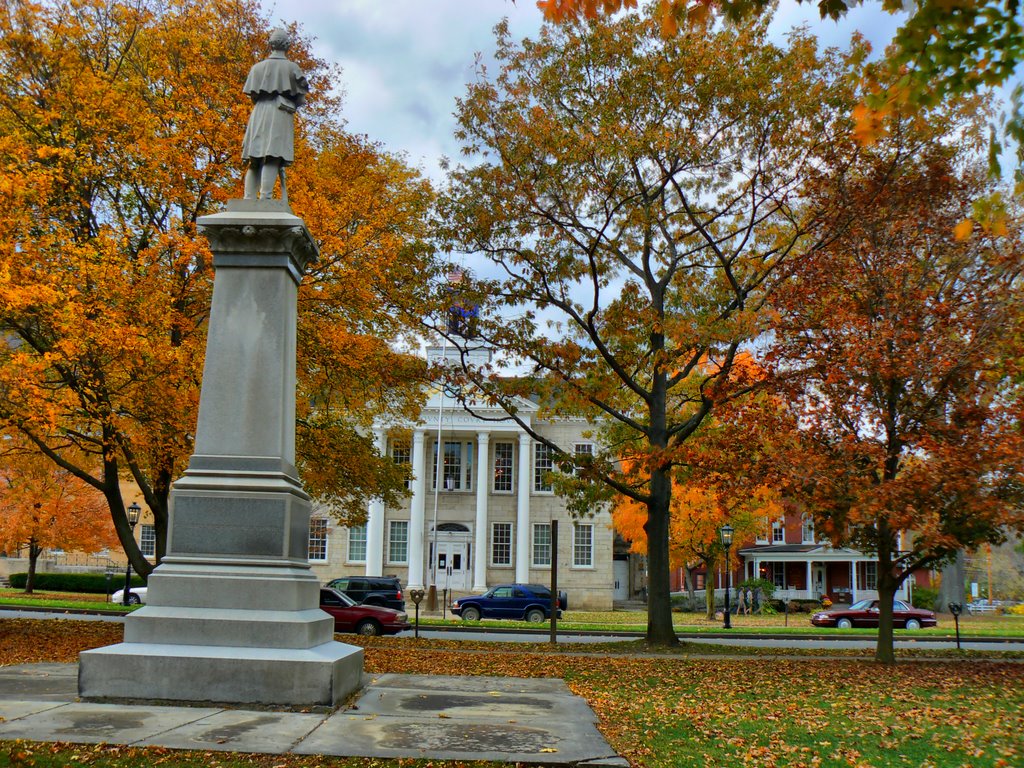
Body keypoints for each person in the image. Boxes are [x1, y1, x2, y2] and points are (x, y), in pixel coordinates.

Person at [241, 29, 309, 201]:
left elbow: (253, 95)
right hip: (280, 112)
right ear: (287, 46)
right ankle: (265, 197)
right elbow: (301, 98)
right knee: (272, 156)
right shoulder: (293, 68)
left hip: (259, 112)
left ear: (270, 44)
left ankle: (248, 198)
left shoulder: (257, 69)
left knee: (255, 158)